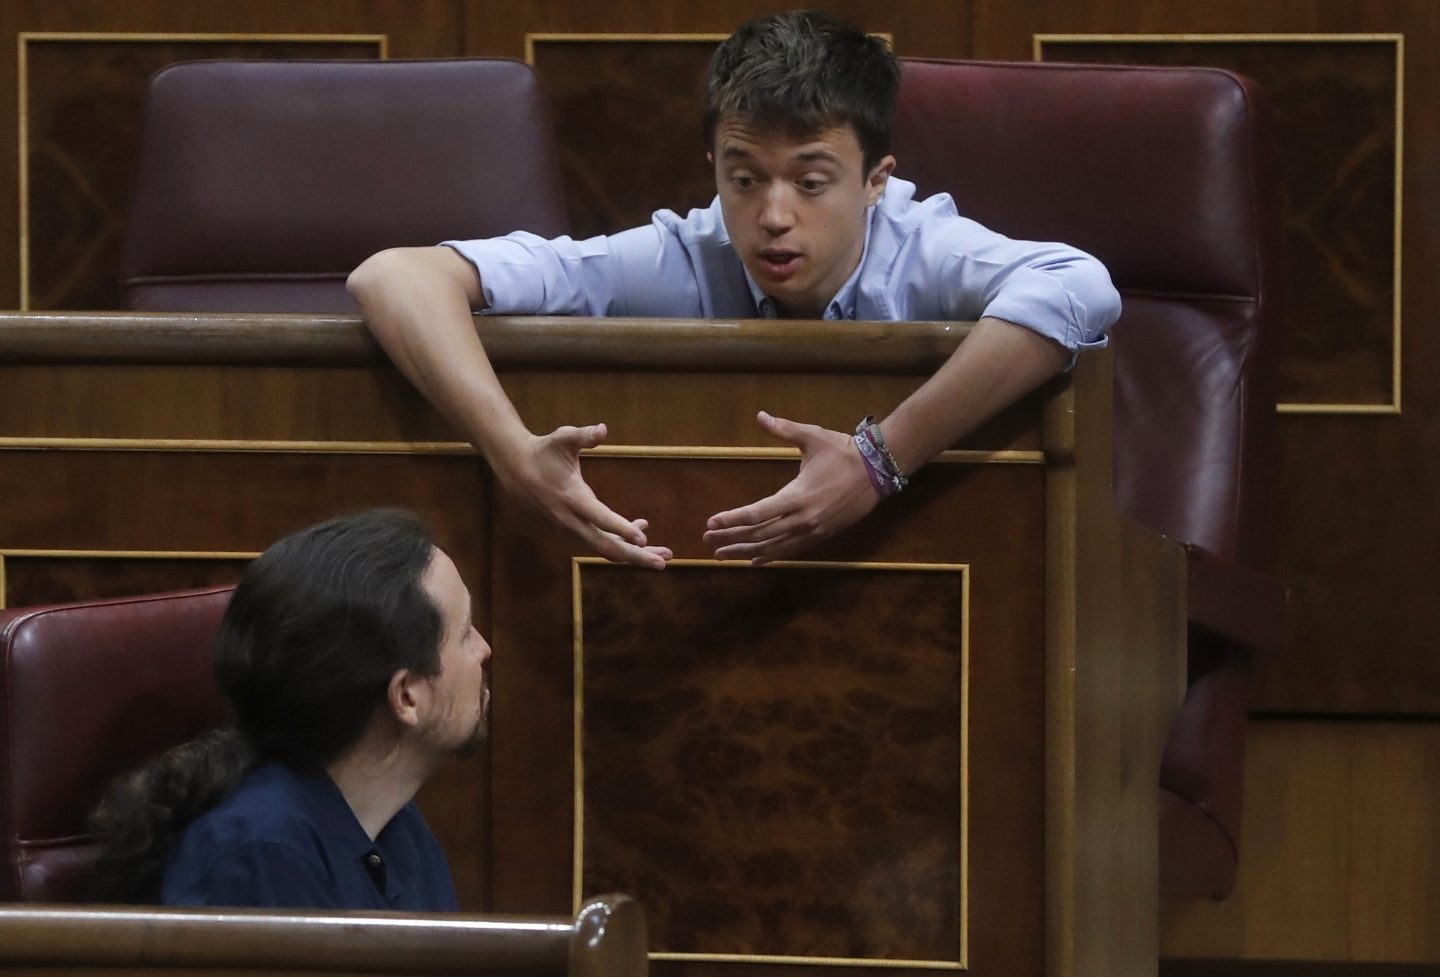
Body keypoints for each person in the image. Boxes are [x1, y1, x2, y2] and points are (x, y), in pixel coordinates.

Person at [346, 10, 1120, 569]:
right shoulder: (687, 253)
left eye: (812, 182)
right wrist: (512, 453)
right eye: (743, 179)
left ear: (877, 181)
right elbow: (396, 277)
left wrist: (877, 461)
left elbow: (1078, 284)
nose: (773, 217)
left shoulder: (922, 248)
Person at [89, 509, 489, 910]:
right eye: (465, 633)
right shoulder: (259, 856)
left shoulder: (396, 821)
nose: (484, 649)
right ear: (406, 697)